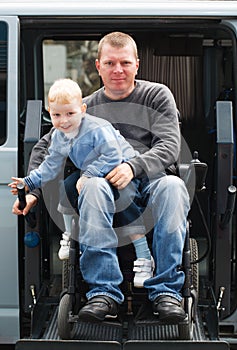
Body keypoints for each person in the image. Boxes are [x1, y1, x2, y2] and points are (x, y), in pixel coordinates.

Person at [12, 32, 190, 324]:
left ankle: (166, 293)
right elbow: (47, 146)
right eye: (110, 63)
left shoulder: (157, 95)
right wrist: (34, 192)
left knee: (174, 187)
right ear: (98, 66)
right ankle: (103, 293)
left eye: (124, 63)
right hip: (106, 190)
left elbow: (170, 145)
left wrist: (133, 167)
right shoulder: (85, 107)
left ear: (137, 65)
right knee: (92, 185)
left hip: (153, 182)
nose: (117, 69)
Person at [9, 78, 153, 287]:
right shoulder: (59, 136)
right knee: (66, 188)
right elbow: (50, 165)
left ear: (83, 110)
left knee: (125, 200)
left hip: (120, 168)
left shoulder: (97, 128)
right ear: (50, 113)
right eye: (56, 115)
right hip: (91, 172)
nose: (64, 120)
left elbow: (113, 156)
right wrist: (29, 182)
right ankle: (68, 235)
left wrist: (89, 175)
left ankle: (144, 255)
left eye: (70, 114)